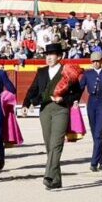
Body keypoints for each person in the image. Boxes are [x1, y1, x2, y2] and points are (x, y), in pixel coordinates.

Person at [24, 42, 82, 190]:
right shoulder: (42, 71)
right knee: (49, 145)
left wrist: (65, 99)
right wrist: (25, 104)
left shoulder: (67, 71)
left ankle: (49, 175)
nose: (48, 57)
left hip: (61, 109)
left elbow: (77, 92)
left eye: (52, 55)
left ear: (60, 56)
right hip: (44, 110)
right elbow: (33, 89)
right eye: (47, 55)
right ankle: (56, 180)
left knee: (56, 143)